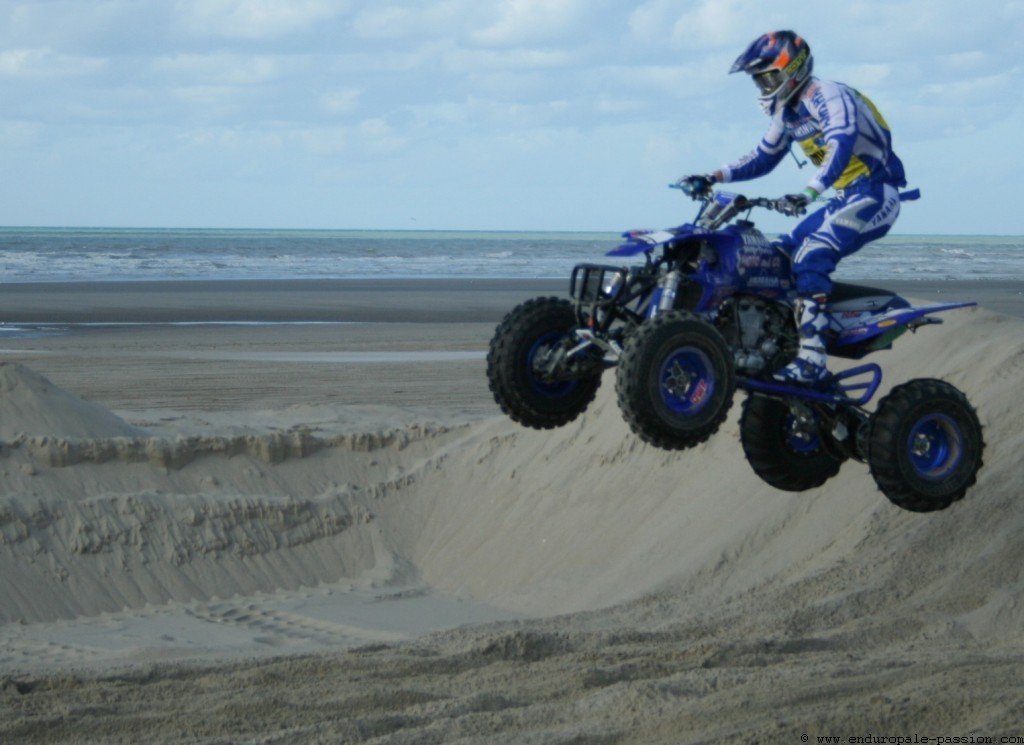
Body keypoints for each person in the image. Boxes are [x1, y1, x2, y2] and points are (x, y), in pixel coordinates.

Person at [680, 30, 907, 384]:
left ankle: (813, 358)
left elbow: (841, 142)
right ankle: (775, 343)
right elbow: (763, 157)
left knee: (811, 254)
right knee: (776, 256)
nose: (764, 85)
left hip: (876, 191)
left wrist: (809, 192)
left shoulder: (827, 94)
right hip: (845, 196)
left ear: (793, 69)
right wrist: (713, 176)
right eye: (759, 80)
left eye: (769, 76)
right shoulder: (786, 112)